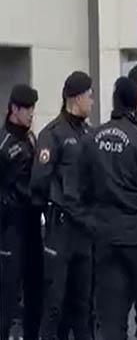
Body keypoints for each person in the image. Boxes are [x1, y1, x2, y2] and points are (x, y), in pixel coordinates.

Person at [86, 77, 137, 340]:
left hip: (105, 239)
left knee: (111, 318)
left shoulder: (92, 139)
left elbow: (81, 188)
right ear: (135, 102)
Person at [31, 71, 95, 340]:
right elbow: (39, 182)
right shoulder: (52, 135)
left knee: (83, 305)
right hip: (60, 230)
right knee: (54, 304)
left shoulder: (89, 133)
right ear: (76, 98)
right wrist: (52, 210)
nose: (92, 101)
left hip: (85, 232)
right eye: (89, 96)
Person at [0, 84, 43, 340]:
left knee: (35, 292)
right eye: (27, 108)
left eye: (33, 108)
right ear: (14, 109)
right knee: (7, 297)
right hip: (10, 229)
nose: (31, 113)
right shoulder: (4, 145)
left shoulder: (31, 138)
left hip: (33, 226)